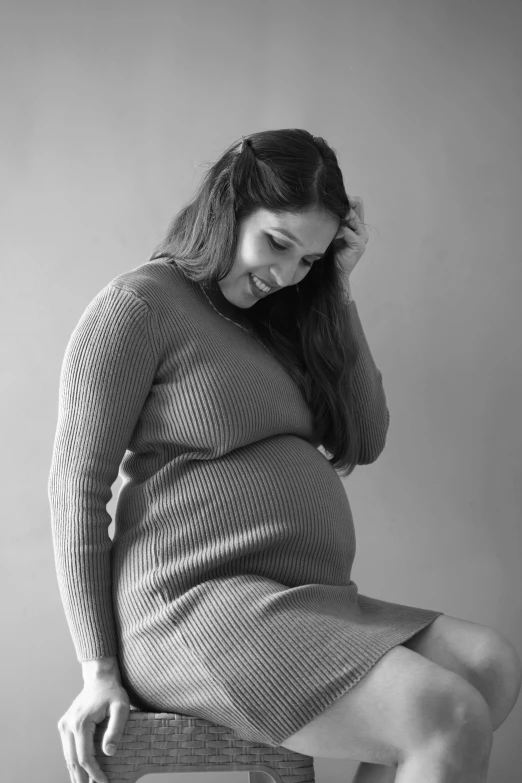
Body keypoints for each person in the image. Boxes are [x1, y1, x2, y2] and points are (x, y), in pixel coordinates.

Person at [49, 129, 519, 783]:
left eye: (309, 259)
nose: (284, 272)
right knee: (447, 714)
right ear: (230, 205)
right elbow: (76, 486)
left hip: (303, 604)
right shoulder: (141, 304)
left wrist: (338, 287)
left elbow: (366, 436)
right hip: (194, 607)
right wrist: (97, 668)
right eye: (277, 242)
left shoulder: (279, 323)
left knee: (490, 662)